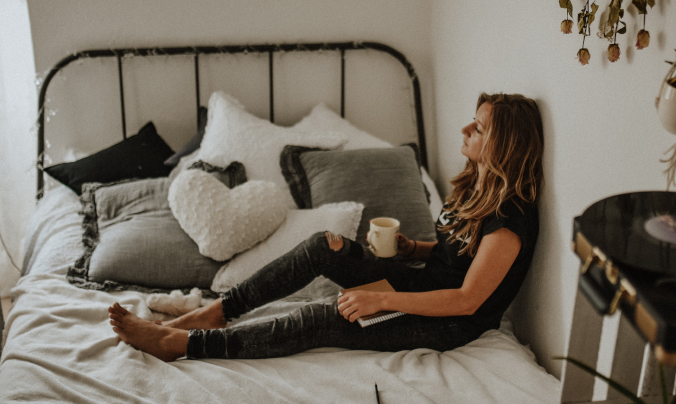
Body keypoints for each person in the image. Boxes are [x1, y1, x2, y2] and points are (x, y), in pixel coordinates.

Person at [108, 92, 545, 362]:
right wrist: (416, 249)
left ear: (502, 145)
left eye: (479, 127)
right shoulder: (475, 187)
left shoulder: (511, 220)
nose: (466, 128)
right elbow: (458, 256)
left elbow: (467, 300)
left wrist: (377, 299)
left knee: (323, 317)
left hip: (448, 323)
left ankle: (183, 346)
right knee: (325, 247)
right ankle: (215, 313)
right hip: (419, 287)